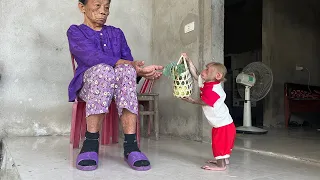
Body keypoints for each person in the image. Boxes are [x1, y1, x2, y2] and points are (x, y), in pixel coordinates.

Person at [67, 0, 163, 171]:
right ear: (82, 7)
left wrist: (139, 70)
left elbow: (128, 63)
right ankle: (90, 143)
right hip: (89, 85)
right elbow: (90, 57)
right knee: (103, 70)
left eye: (107, 7)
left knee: (126, 70)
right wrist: (130, 65)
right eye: (97, 6)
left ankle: (131, 146)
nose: (103, 11)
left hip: (118, 86)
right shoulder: (75, 31)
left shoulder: (117, 33)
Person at [181, 57, 236, 171]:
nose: (203, 72)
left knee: (218, 145)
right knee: (222, 144)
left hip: (223, 125)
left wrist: (191, 100)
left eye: (207, 70)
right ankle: (224, 159)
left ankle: (221, 166)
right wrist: (189, 61)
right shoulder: (207, 83)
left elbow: (204, 102)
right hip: (222, 124)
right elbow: (196, 75)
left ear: (218, 76)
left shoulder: (214, 90)